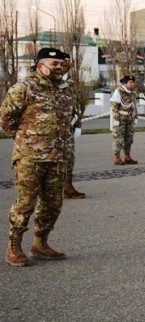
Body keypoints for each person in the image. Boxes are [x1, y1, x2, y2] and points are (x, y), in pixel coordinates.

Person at [0, 47, 74, 266]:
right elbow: (6, 119)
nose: (59, 68)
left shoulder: (65, 89)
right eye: (54, 64)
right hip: (30, 157)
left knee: (53, 203)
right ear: (40, 64)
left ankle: (40, 243)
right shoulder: (24, 87)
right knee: (26, 203)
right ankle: (14, 247)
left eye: (62, 64)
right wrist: (26, 139)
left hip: (57, 157)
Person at [61, 51, 86, 199]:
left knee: (69, 158)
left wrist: (78, 125)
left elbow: (76, 105)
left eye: (68, 61)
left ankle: (68, 187)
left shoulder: (70, 82)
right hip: (46, 131)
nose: (66, 63)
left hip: (67, 127)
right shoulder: (45, 82)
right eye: (62, 61)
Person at [110, 75, 139, 165]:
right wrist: (116, 119)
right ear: (125, 83)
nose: (132, 84)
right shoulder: (119, 91)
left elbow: (134, 106)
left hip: (130, 119)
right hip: (121, 118)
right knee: (119, 138)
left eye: (133, 82)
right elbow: (114, 105)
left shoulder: (132, 93)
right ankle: (117, 157)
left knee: (129, 138)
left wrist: (136, 117)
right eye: (130, 82)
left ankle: (127, 156)